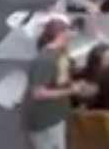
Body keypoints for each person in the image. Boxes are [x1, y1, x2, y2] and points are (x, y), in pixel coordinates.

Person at [21, 18, 92, 149]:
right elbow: (38, 93)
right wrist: (71, 91)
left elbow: (62, 77)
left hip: (58, 114)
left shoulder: (62, 53)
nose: (71, 35)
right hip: (46, 119)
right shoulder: (45, 60)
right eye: (68, 32)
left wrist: (77, 84)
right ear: (60, 34)